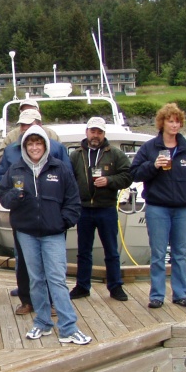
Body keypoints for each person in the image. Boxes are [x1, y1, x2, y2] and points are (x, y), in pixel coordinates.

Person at [0, 126, 90, 345]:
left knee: (56, 278)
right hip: (26, 232)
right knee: (36, 279)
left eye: (39, 143)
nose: (35, 147)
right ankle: (43, 322)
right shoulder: (16, 169)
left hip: (53, 233)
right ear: (25, 147)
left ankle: (68, 327)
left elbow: (73, 200)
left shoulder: (60, 169)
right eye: (30, 143)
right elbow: (2, 195)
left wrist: (63, 221)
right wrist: (13, 196)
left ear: (46, 146)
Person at [130, 103, 186, 309]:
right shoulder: (149, 148)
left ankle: (181, 294)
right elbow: (134, 173)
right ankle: (157, 295)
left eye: (177, 121)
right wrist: (153, 165)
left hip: (182, 208)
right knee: (158, 253)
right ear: (162, 123)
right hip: (157, 207)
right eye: (170, 121)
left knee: (180, 253)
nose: (174, 125)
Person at [0, 109, 71, 315]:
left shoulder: (57, 150)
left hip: (53, 224)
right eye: (22, 125)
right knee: (24, 265)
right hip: (24, 223)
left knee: (54, 271)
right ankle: (28, 301)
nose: (25, 129)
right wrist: (13, 196)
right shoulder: (12, 152)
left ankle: (55, 305)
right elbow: (2, 182)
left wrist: (64, 220)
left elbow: (70, 188)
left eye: (29, 125)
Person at [68, 117, 133, 302]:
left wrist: (110, 181)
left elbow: (127, 176)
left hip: (106, 208)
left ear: (104, 134)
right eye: (93, 131)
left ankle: (115, 286)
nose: (95, 135)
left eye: (99, 132)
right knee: (83, 251)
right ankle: (82, 286)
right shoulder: (76, 155)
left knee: (111, 250)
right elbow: (69, 179)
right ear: (87, 132)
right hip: (84, 209)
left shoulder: (115, 154)